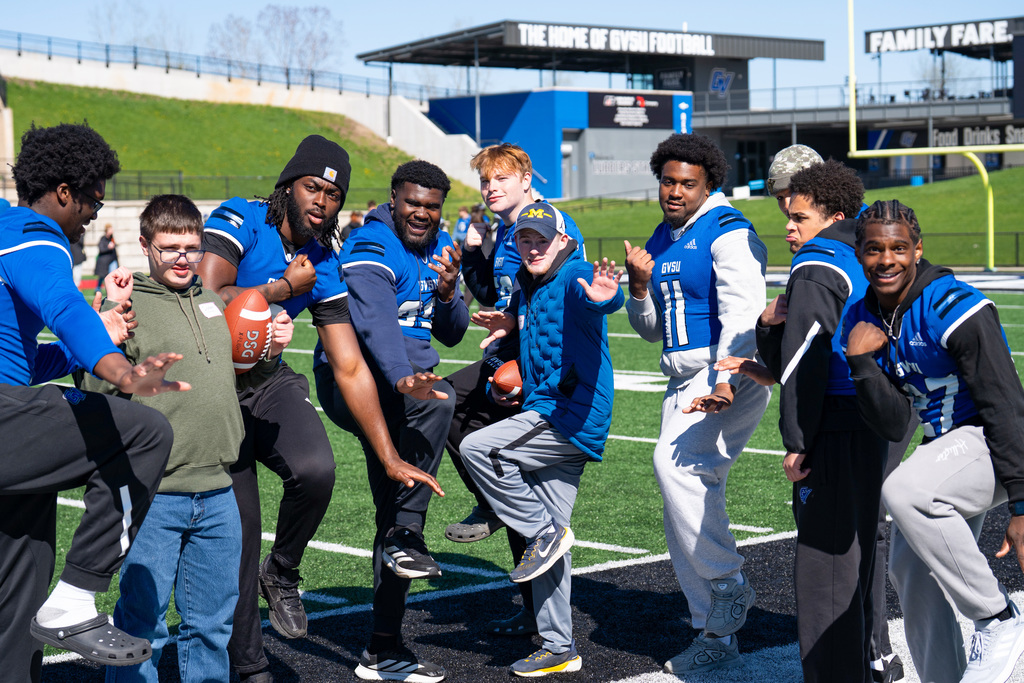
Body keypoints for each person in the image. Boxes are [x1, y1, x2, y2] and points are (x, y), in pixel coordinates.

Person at [199, 135, 441, 683]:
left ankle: (282, 571)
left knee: (316, 470)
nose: (322, 202)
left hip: (267, 380)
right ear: (288, 185)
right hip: (213, 388)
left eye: (334, 195)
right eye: (313, 187)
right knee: (241, 533)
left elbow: (350, 366)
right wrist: (282, 287)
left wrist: (388, 455)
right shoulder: (241, 217)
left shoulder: (326, 259)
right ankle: (249, 664)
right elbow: (208, 297)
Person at [0, 122, 186, 682]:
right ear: (63, 192)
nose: (94, 214)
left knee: (20, 589)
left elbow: (26, 361)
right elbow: (63, 305)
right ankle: (78, 596)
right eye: (92, 200)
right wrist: (122, 371)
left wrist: (90, 348)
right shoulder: (35, 233)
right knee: (145, 431)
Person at [81, 196, 288, 683]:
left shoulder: (216, 302)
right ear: (146, 247)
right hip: (153, 496)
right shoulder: (127, 306)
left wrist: (271, 355)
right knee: (141, 630)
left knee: (211, 629)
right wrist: (106, 328)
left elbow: (242, 384)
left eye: (191, 248)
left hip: (219, 490)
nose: (182, 258)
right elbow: (93, 392)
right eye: (170, 247)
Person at [844, 200, 1024, 683]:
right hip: (947, 449)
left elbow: (1005, 404)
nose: (887, 260)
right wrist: (862, 365)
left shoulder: (950, 304)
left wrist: (1022, 505)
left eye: (899, 248)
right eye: (874, 249)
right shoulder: (864, 315)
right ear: (859, 254)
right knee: (912, 572)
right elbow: (890, 422)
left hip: (995, 438)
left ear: (917, 250)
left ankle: (997, 618)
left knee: (905, 491)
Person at [622, 133, 771, 674]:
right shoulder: (662, 237)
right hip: (680, 380)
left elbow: (743, 313)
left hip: (724, 373)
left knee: (676, 469)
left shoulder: (729, 230)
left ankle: (728, 582)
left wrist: (726, 378)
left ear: (710, 183)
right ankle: (715, 632)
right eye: (668, 180)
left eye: (687, 182)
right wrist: (639, 288)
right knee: (678, 503)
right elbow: (649, 331)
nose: (675, 191)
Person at [315, 160, 464, 682]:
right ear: (394, 199)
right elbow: (375, 325)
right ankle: (408, 533)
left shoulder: (440, 245)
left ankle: (383, 649)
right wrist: (405, 377)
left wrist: (447, 293)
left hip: (404, 386)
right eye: (412, 203)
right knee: (440, 399)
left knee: (396, 509)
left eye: (431, 206)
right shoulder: (372, 243)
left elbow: (450, 332)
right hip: (356, 381)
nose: (422, 213)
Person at [462, 202, 624, 677]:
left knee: (479, 447)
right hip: (552, 410)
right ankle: (559, 646)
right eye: (525, 239)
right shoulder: (529, 285)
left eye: (541, 239)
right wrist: (510, 324)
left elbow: (596, 300)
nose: (532, 247)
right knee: (546, 549)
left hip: (568, 416)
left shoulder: (575, 274)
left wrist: (604, 296)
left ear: (563, 240)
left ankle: (542, 530)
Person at [766, 144, 909, 683]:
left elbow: (804, 357)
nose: (788, 226)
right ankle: (876, 656)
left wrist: (798, 438)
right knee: (865, 540)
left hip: (842, 420)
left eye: (797, 215)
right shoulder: (874, 252)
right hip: (885, 411)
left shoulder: (817, 263)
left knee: (827, 563)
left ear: (833, 213)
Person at [444, 142, 585, 637]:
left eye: (501, 179)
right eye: (485, 182)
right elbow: (495, 293)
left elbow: (565, 299)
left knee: (513, 476)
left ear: (527, 179)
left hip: (537, 369)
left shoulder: (549, 223)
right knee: (449, 405)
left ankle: (539, 617)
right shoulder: (504, 229)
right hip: (508, 352)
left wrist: (523, 354)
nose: (491, 188)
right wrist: (470, 255)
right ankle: (494, 503)